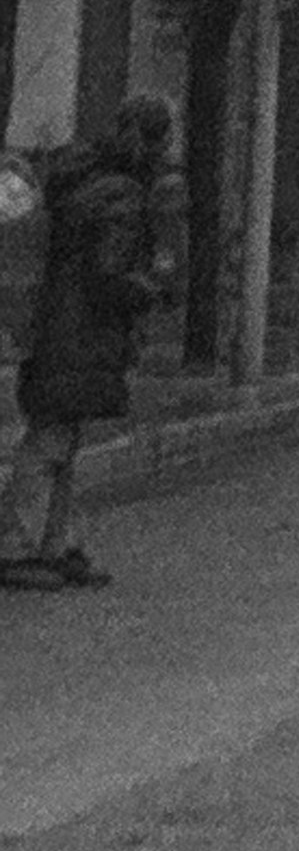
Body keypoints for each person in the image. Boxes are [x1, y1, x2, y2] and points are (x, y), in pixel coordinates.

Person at [4, 98, 176, 588]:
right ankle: (15, 545)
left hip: (54, 322)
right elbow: (108, 273)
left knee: (61, 436)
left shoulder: (80, 172)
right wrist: (151, 290)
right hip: (80, 330)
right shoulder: (121, 194)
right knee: (51, 438)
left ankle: (52, 544)